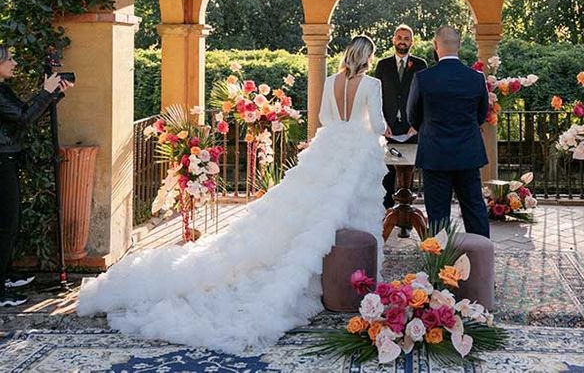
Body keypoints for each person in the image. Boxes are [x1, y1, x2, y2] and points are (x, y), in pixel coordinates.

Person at [78, 35, 387, 355]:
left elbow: (324, 119)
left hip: (328, 148)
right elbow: (377, 125)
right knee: (343, 214)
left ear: (348, 54)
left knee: (309, 211)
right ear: (368, 57)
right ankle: (350, 280)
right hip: (356, 154)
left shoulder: (331, 81)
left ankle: (327, 274)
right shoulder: (372, 84)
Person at [0, 45, 71, 307]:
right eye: (10, 59)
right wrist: (45, 92)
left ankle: (5, 275)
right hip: (1, 161)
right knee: (6, 224)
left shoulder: (3, 88)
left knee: (9, 223)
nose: (14, 63)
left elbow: (28, 114)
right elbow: (23, 118)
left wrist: (54, 95)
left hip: (8, 158)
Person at [406, 26, 490, 237]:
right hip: (468, 153)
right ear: (459, 45)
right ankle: (480, 259)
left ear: (436, 46)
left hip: (435, 154)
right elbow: (481, 114)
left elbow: (412, 116)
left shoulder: (423, 78)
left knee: (438, 214)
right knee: (474, 208)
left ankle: (441, 261)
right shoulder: (476, 78)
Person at [373, 24, 427, 210]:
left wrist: (417, 124)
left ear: (411, 42)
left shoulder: (420, 65)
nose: (402, 41)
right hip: (387, 129)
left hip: (411, 129)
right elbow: (376, 96)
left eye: (406, 38)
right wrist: (382, 123)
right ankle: (385, 215)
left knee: (407, 177)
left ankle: (405, 220)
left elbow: (423, 98)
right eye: (399, 37)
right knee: (387, 176)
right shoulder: (382, 65)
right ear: (393, 40)